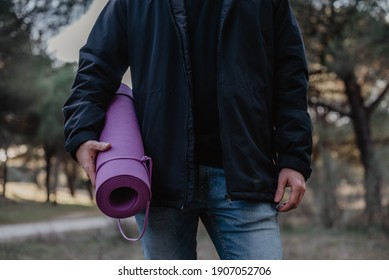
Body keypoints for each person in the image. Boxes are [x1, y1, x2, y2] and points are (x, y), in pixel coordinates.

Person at [63, 0, 312, 260]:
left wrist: (293, 158)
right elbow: (96, 66)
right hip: (162, 179)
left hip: (246, 175)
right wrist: (81, 133)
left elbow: (291, 76)